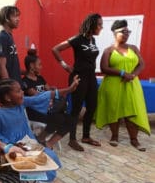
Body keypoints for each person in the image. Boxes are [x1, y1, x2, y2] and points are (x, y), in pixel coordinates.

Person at [0, 78, 70, 182]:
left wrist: (66, 90)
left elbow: (39, 98)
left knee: (50, 155)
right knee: (32, 166)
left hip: (29, 143)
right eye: (18, 91)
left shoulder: (21, 104)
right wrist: (10, 145)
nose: (23, 92)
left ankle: (37, 182)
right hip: (13, 148)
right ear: (8, 97)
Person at [95, 19, 150, 151]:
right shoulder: (109, 50)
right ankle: (114, 136)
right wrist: (122, 73)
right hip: (113, 84)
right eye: (123, 31)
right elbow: (103, 68)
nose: (126, 34)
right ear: (115, 33)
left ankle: (134, 139)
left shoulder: (133, 48)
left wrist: (133, 75)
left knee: (132, 110)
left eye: (128, 31)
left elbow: (141, 64)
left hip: (131, 84)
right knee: (114, 110)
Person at [52, 13, 103, 151]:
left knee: (92, 106)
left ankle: (86, 136)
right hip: (79, 78)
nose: (101, 27)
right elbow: (55, 49)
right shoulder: (77, 39)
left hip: (91, 77)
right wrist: (65, 66)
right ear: (91, 25)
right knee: (76, 109)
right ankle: (72, 139)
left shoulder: (93, 40)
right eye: (99, 24)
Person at [22, 47, 80, 148]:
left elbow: (49, 90)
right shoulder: (25, 82)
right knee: (59, 118)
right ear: (31, 66)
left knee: (71, 120)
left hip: (48, 108)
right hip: (35, 112)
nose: (41, 67)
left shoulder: (40, 78)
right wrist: (51, 93)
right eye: (39, 64)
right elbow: (37, 97)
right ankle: (40, 139)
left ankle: (49, 143)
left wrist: (51, 92)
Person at [0, 5, 23, 85]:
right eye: (14, 16)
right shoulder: (2, 38)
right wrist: (8, 87)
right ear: (6, 18)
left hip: (16, 84)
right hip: (11, 87)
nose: (18, 19)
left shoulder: (9, 36)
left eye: (18, 16)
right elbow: (2, 66)